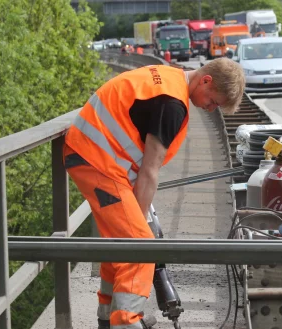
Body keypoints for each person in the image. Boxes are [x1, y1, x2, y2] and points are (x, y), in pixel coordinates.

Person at [62, 58, 245, 329]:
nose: (210, 108)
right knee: (141, 246)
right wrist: (140, 220)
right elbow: (150, 171)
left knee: (120, 243)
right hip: (100, 162)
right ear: (206, 80)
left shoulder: (168, 79)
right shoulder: (172, 105)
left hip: (92, 154)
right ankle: (125, 322)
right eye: (213, 101)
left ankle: (106, 316)